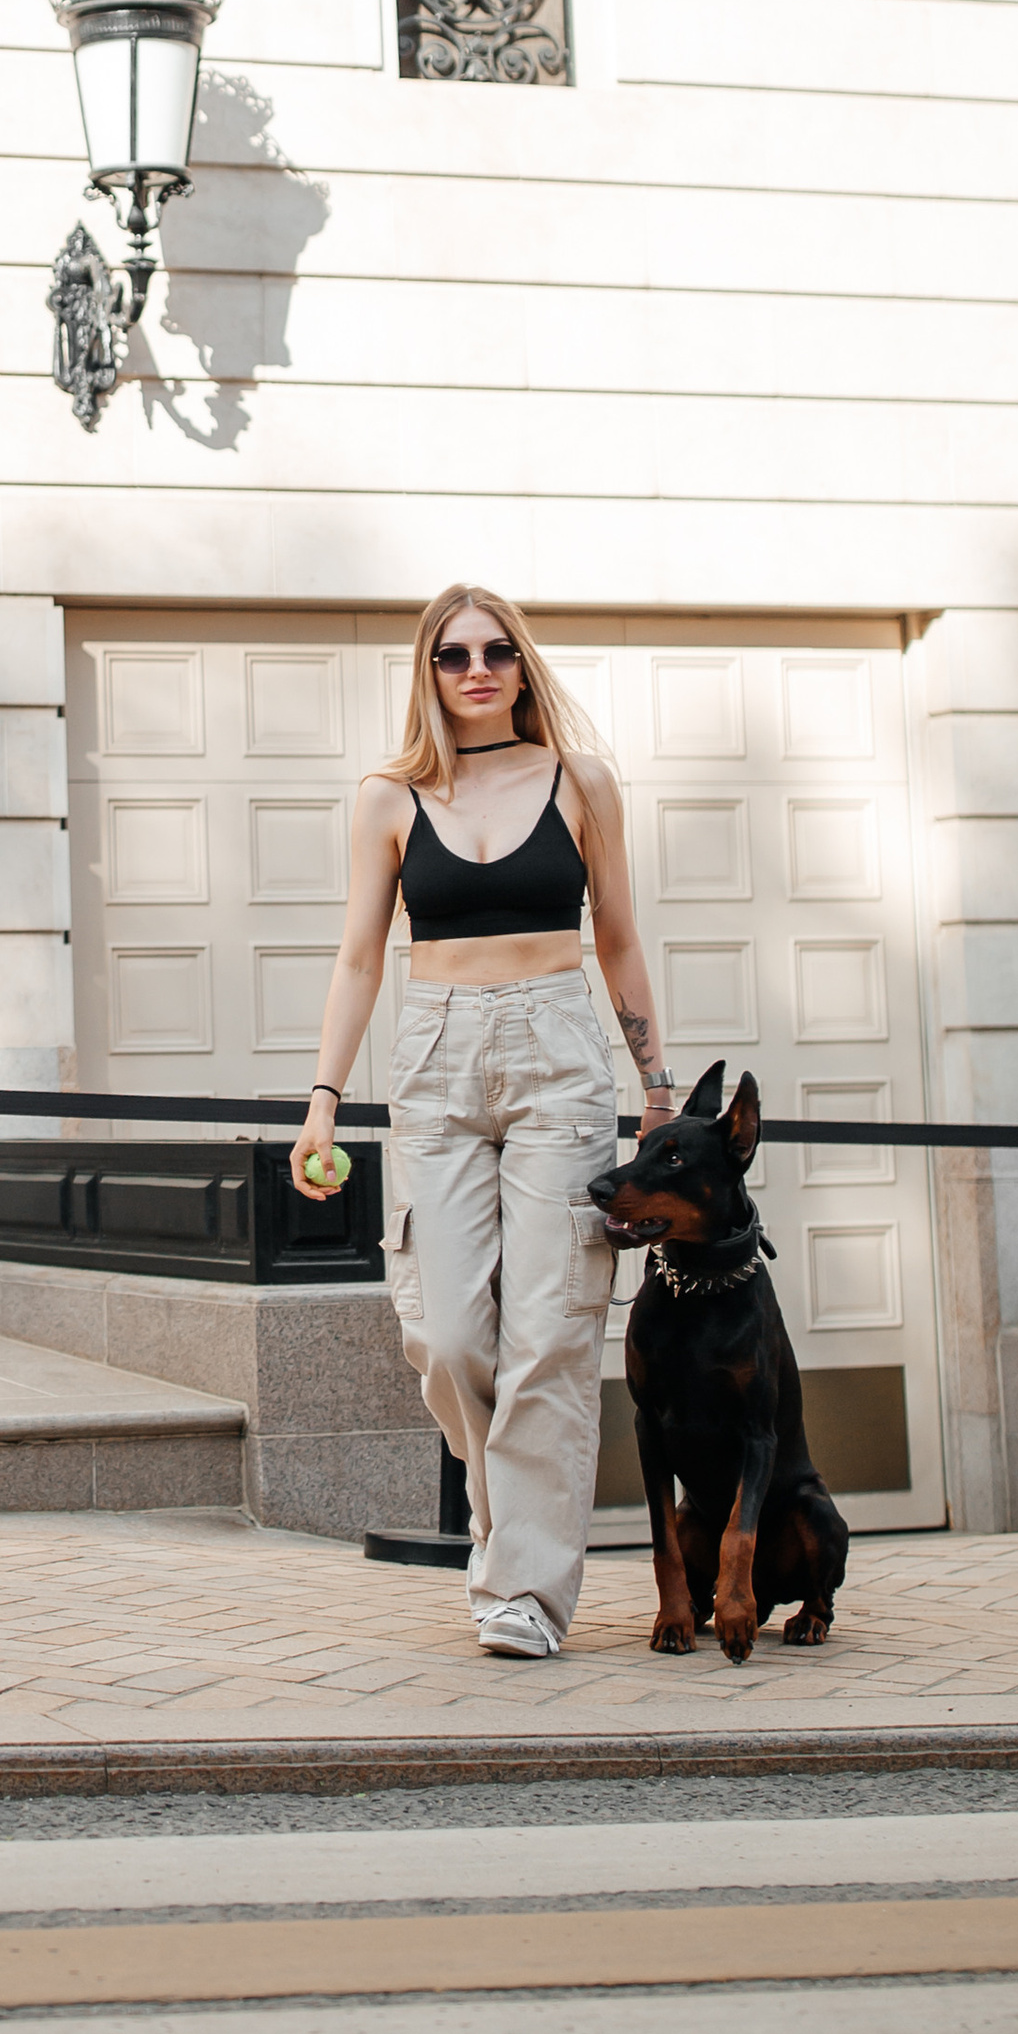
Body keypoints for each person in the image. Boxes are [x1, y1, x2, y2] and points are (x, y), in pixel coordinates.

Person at [292, 585, 674, 1659]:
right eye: (455, 654)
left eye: (498, 652)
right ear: (429, 670)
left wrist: (653, 1081)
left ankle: (521, 1598)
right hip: (436, 1058)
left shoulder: (581, 783)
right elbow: (360, 956)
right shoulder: (388, 798)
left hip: (557, 1055)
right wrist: (322, 1100)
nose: (477, 670)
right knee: (449, 1333)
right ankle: (513, 1519)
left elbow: (621, 942)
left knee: (550, 1332)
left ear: (521, 666)